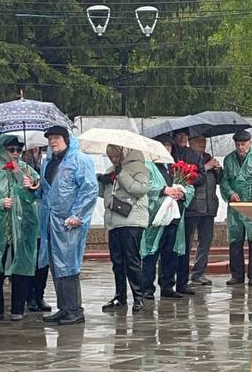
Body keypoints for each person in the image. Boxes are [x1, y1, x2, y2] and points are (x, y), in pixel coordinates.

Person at [36, 126, 97, 325]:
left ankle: (74, 310)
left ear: (66, 139)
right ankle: (64, 308)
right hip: (50, 221)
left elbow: (89, 189)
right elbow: (46, 191)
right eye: (50, 138)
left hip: (69, 223)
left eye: (56, 138)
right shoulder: (48, 163)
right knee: (55, 264)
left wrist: (77, 215)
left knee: (69, 265)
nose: (53, 141)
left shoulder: (81, 160)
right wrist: (33, 187)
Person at [0, 135, 40, 321]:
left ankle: (18, 309)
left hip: (22, 228)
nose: (15, 153)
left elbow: (35, 195)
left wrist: (30, 186)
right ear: (3, 150)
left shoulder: (28, 170)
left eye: (18, 150)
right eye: (11, 149)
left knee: (22, 266)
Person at [98, 145, 150, 312]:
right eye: (110, 156)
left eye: (116, 155)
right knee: (117, 262)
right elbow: (104, 194)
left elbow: (140, 189)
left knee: (132, 261)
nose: (113, 159)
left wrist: (121, 174)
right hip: (115, 221)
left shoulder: (139, 167)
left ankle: (138, 297)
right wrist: (101, 181)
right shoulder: (111, 169)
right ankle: (120, 296)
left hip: (132, 220)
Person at [141, 135, 193, 301]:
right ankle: (146, 288)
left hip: (174, 217)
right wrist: (163, 190)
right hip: (155, 217)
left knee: (170, 252)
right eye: (162, 145)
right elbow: (144, 186)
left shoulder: (174, 167)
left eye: (168, 146)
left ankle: (167, 286)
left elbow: (189, 186)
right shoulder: (147, 166)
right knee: (151, 252)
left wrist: (182, 192)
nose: (166, 149)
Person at [219, 131, 252, 286]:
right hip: (236, 206)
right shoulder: (229, 159)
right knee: (235, 239)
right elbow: (224, 181)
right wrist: (230, 193)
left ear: (250, 142)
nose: (240, 147)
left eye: (243, 144)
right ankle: (237, 275)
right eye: (238, 145)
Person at [168, 129, 207, 295]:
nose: (183, 138)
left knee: (184, 246)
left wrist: (188, 178)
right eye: (179, 136)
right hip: (170, 206)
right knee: (169, 246)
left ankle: (182, 283)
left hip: (190, 207)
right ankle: (167, 282)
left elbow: (202, 176)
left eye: (185, 136)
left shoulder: (194, 154)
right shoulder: (170, 154)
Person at [185, 133, 222, 287]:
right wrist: (206, 168)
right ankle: (183, 273)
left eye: (204, 141)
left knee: (205, 242)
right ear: (190, 142)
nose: (202, 144)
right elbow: (188, 178)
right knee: (187, 242)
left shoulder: (209, 157)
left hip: (209, 206)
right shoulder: (187, 157)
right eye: (198, 141)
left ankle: (199, 272)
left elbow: (220, 181)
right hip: (193, 207)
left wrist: (218, 169)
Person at [21, 145, 53, 313]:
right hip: (25, 218)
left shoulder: (47, 163)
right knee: (29, 260)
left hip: (43, 215)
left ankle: (39, 295)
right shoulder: (20, 166)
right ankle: (29, 296)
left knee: (42, 259)